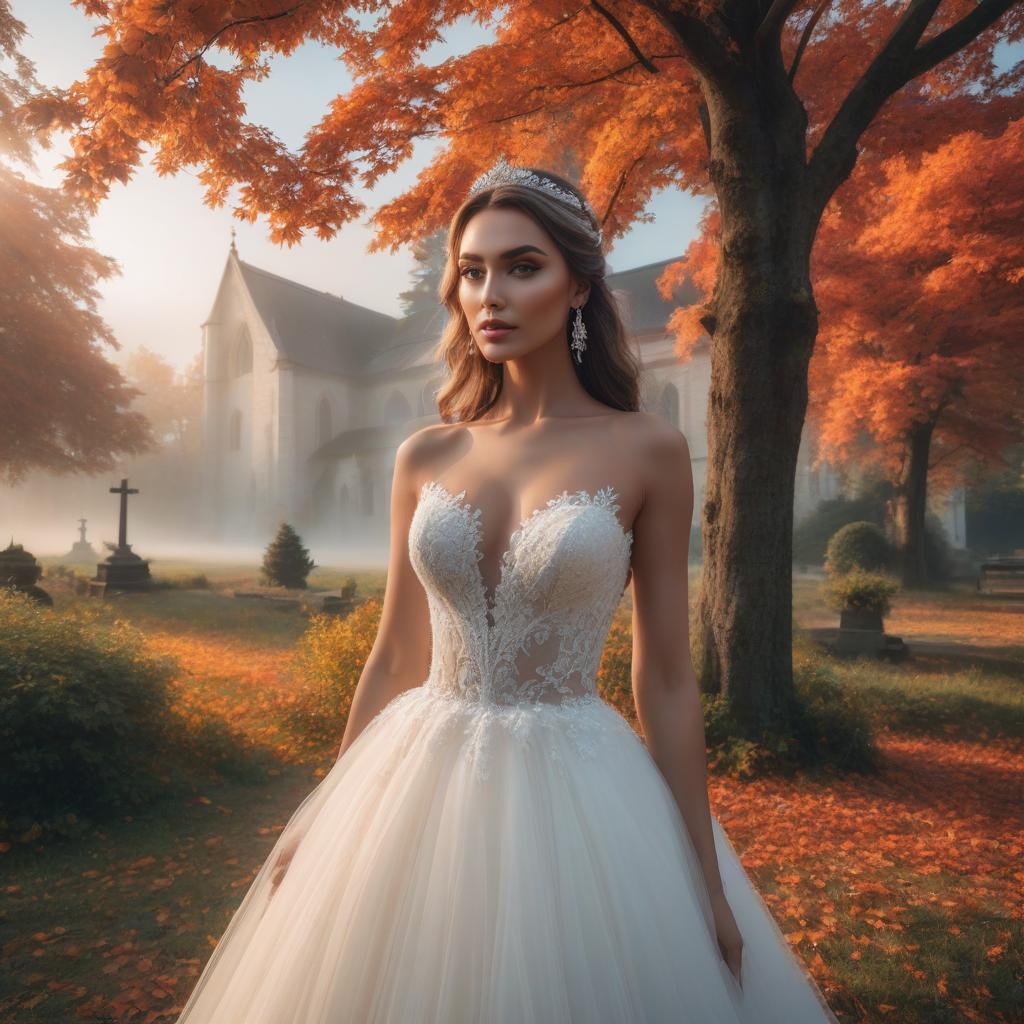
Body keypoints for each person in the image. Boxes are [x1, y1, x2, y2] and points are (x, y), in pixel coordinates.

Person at [175, 158, 840, 1023]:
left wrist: (704, 882)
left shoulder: (646, 449)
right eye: (473, 270)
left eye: (523, 266)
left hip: (578, 788)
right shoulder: (425, 454)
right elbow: (395, 655)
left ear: (575, 287)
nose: (490, 292)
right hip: (411, 776)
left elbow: (667, 678)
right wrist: (325, 817)